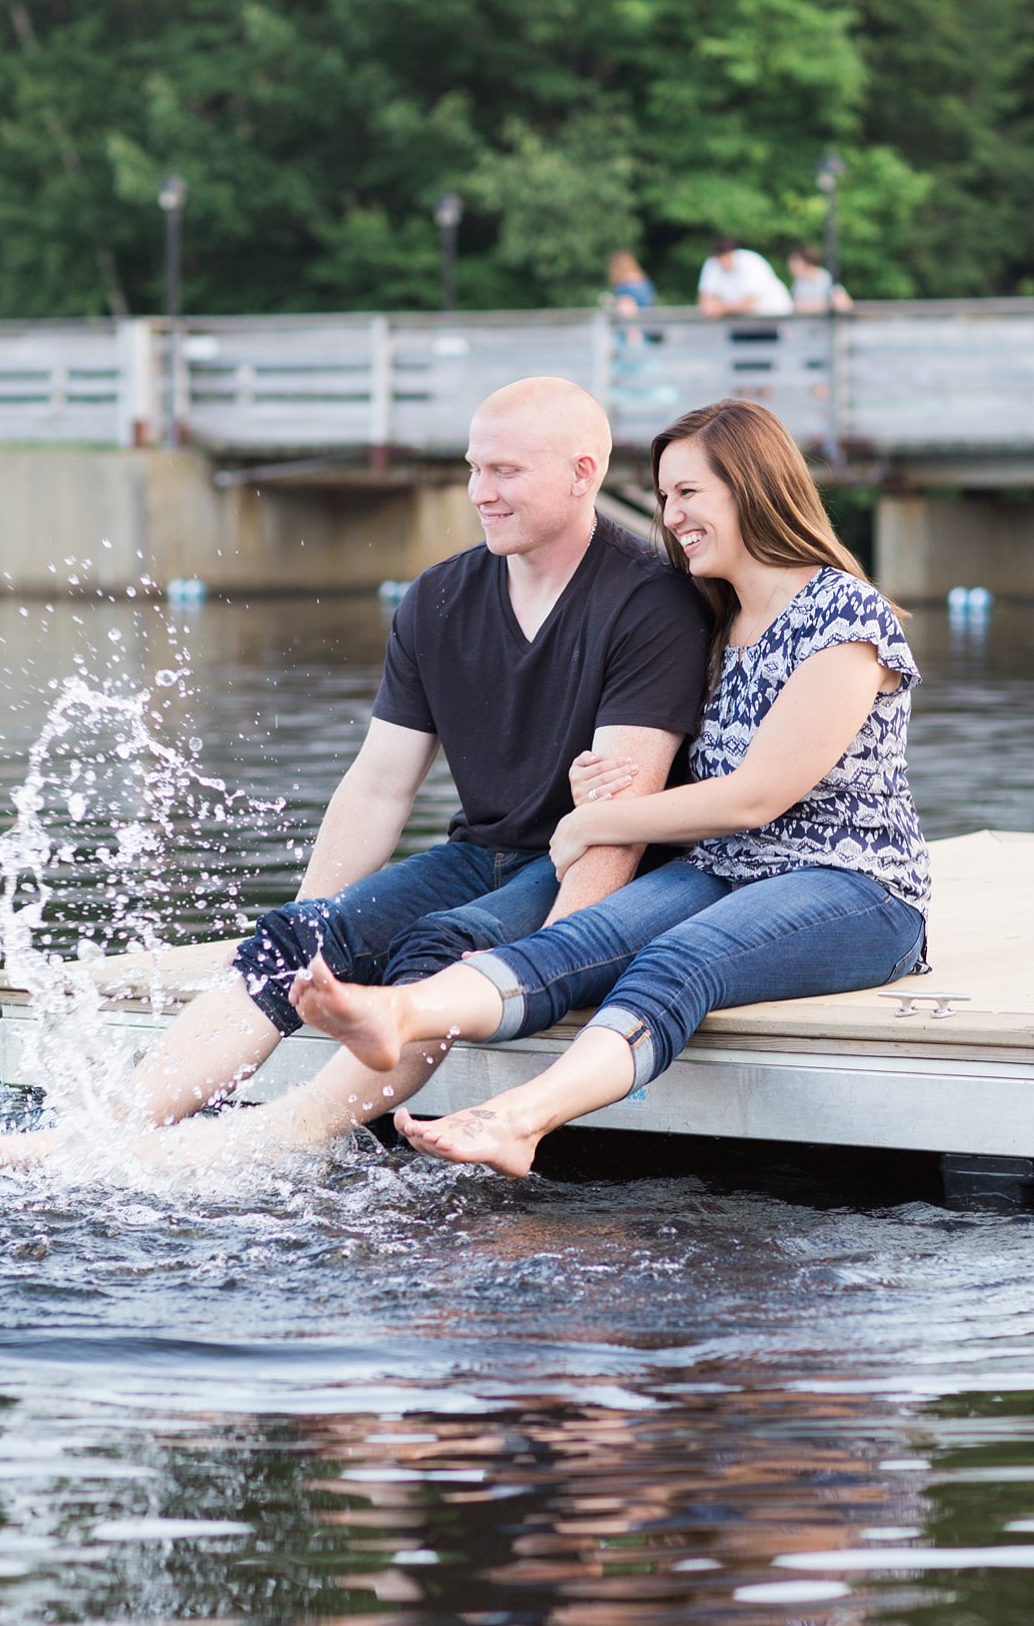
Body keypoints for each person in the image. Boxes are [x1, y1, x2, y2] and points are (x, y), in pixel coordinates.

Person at [0, 376, 709, 1168]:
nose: (479, 492)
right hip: (481, 854)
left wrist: (556, 966)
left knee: (441, 948)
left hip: (583, 866)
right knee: (293, 937)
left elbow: (618, 826)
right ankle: (95, 1136)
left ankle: (272, 1137)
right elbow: (379, 787)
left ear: (584, 473)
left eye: (505, 472)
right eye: (472, 468)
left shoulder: (651, 601)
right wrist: (319, 938)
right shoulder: (438, 599)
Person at [290, 396, 930, 1179]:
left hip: (855, 886)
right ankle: (400, 1011)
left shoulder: (844, 618)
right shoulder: (720, 619)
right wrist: (598, 786)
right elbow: (697, 775)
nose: (671, 515)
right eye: (664, 496)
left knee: (678, 960)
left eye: (688, 492)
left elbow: (758, 795)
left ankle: (519, 1119)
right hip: (725, 867)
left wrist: (595, 823)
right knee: (574, 941)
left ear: (755, 488)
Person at [697, 239, 793, 320]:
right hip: (744, 321)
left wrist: (720, 308)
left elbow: (747, 305)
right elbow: (705, 300)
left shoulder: (750, 262)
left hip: (773, 315)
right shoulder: (712, 264)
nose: (723, 264)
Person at [789, 244, 851, 314]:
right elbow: (795, 305)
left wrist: (826, 305)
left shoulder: (824, 278)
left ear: (806, 262)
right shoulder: (799, 281)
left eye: (794, 263)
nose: (791, 267)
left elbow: (843, 302)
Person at [606, 248, 657, 320]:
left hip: (634, 322)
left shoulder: (624, 286)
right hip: (648, 319)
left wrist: (613, 301)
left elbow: (627, 310)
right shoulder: (644, 281)